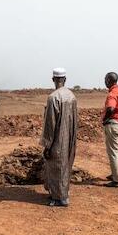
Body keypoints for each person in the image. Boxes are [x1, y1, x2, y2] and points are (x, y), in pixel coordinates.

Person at [41, 68, 78, 207]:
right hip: (69, 138)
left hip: (57, 139)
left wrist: (47, 145)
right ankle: (61, 194)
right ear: (65, 79)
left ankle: (59, 198)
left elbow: (50, 124)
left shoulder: (53, 97)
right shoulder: (71, 96)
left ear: (53, 80)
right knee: (65, 166)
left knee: (56, 167)